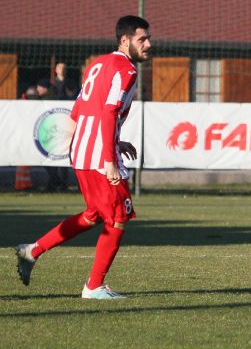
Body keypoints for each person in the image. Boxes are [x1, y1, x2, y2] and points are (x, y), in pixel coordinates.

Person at [16, 15, 152, 299]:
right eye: (142, 39)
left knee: (94, 215)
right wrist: (109, 159)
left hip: (84, 150)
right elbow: (107, 112)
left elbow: (81, 109)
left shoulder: (97, 64)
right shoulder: (126, 71)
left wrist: (113, 141)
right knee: (118, 217)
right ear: (125, 41)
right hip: (99, 155)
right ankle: (94, 287)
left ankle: (33, 250)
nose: (149, 44)